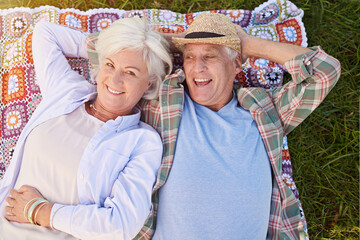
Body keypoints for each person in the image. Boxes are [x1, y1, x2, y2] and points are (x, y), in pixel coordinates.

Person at [125, 12, 338, 239]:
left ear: (237, 63)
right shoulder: (162, 103)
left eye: (210, 56)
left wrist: (248, 44)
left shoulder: (264, 110)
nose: (197, 68)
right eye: (189, 57)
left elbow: (325, 71)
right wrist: (182, 41)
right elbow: (101, 46)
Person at [0, 17, 172, 240]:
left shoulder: (141, 141)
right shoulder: (66, 91)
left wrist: (38, 211)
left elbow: (121, 225)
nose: (115, 79)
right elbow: (45, 33)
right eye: (109, 64)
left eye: (131, 72)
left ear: (149, 83)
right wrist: (118, 43)